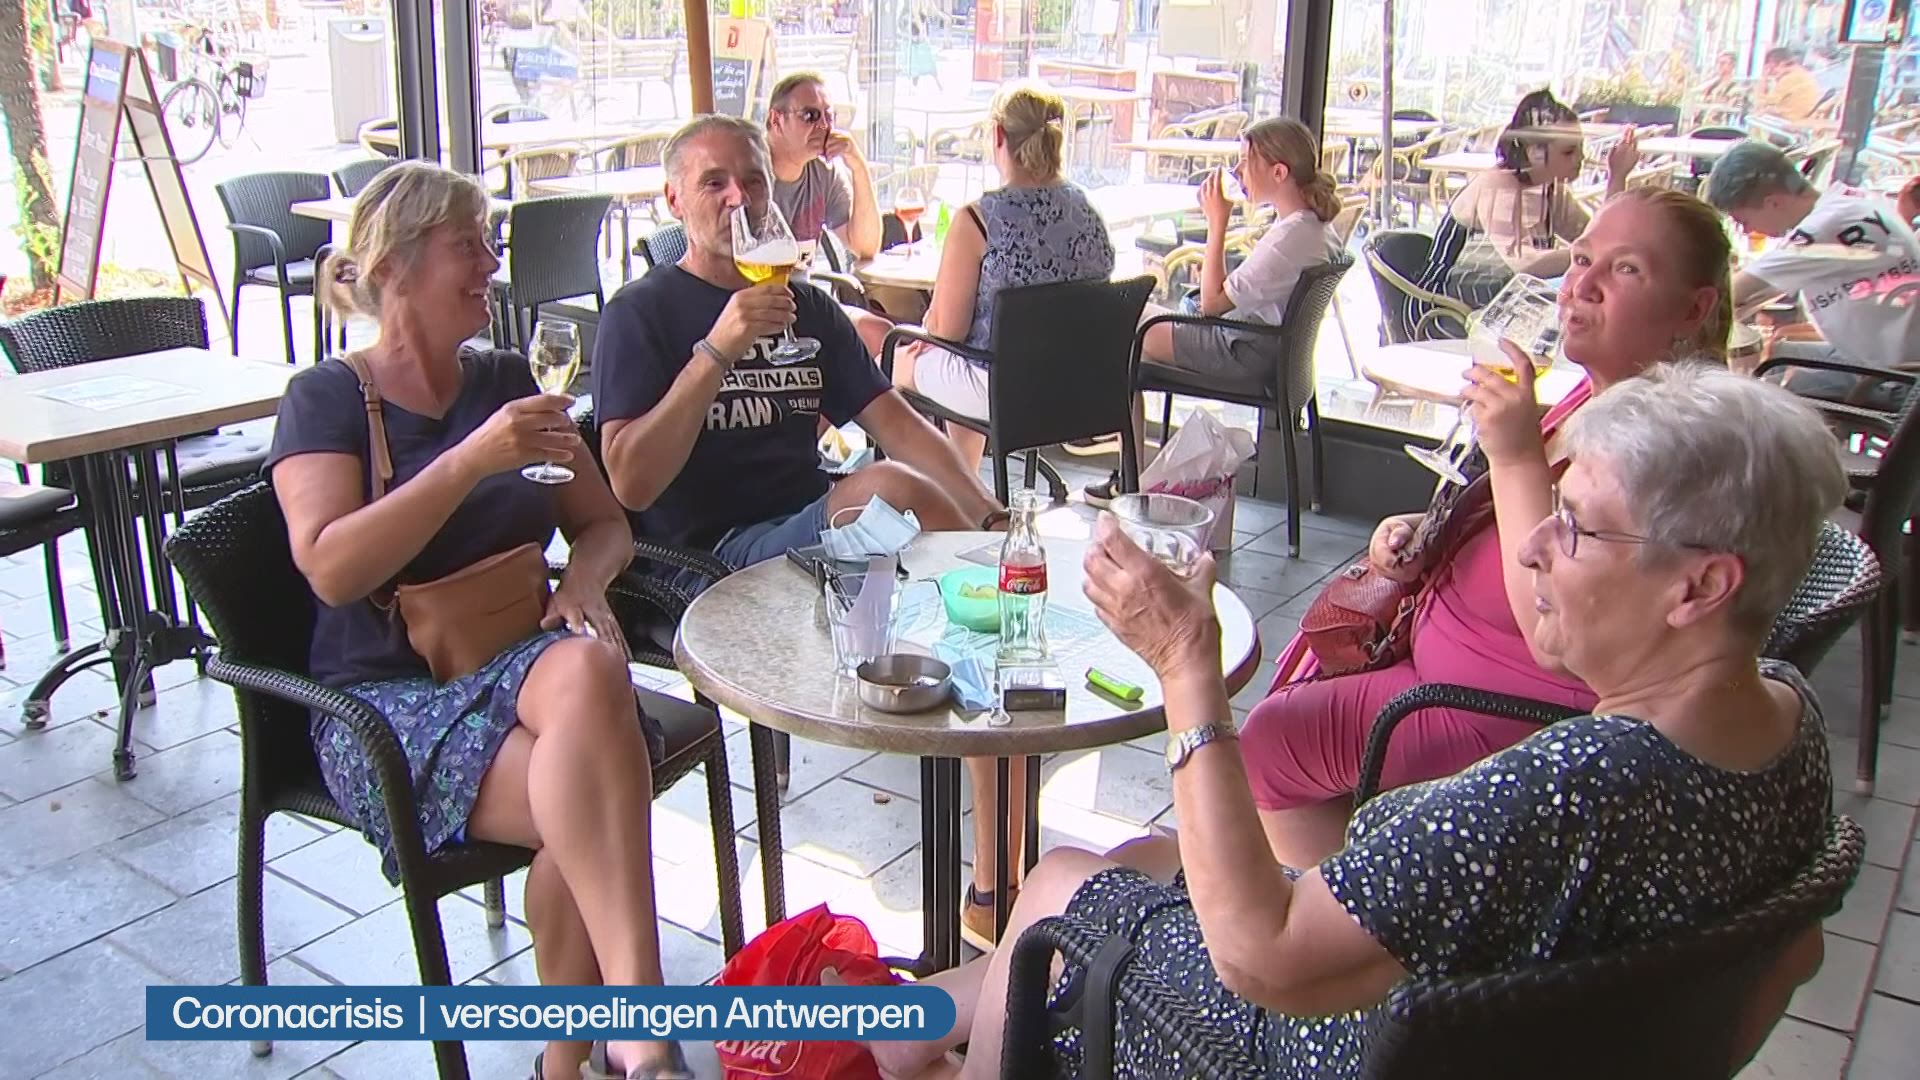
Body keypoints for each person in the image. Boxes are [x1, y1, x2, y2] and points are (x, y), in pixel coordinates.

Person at [867, 362, 1845, 1080]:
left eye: (1577, 525)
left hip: (1301, 1042)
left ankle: (925, 1047)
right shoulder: (1784, 722)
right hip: (1463, 1012)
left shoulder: (1562, 790)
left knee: (1056, 888)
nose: (1533, 547)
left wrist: (1185, 662)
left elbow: (1261, 957)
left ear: (1700, 587)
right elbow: (1794, 957)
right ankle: (885, 1031)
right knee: (1144, 859)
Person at [266, 163, 685, 1080]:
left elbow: (606, 524)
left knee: (587, 670)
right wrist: (467, 461)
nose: (492, 265)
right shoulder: (326, 397)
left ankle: (600, 1052)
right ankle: (623, 1046)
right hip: (385, 706)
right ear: (394, 266)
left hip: (519, 667)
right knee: (591, 811)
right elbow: (331, 567)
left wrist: (583, 585)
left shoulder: (503, 378)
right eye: (470, 245)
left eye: (489, 243)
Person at [591, 115, 1036, 950]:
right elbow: (630, 481)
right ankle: (1003, 623)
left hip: (810, 536)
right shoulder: (641, 315)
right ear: (674, 199)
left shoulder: (808, 308)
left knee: (962, 629)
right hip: (701, 562)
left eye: (753, 181)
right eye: (714, 182)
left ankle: (995, 879)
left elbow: (895, 421)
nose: (738, 198)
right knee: (891, 504)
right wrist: (717, 349)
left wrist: (985, 511)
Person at [1247, 187, 1734, 870]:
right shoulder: (1592, 397)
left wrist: (1512, 454)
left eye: (1626, 269)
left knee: (1268, 743)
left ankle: (1357, 918)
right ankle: (1371, 884)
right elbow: (1522, 516)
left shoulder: (1670, 443)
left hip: (1512, 715)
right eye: (1582, 258)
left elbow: (1554, 632)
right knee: (1290, 723)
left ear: (1694, 308)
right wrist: (1426, 530)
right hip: (1445, 666)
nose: (1582, 285)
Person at [1084, 116, 1341, 506]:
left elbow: (1212, 303)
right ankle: (1133, 470)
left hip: (1245, 352)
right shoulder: (1314, 228)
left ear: (1278, 172)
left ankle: (1127, 476)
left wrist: (1217, 221)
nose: (1237, 171)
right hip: (1269, 350)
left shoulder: (1289, 239)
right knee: (1138, 327)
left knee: (1126, 326)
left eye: (1246, 161)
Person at [892, 82, 1114, 474]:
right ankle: (963, 483)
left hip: (1002, 391)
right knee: (961, 360)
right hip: (1078, 390)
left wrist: (927, 328)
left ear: (997, 135)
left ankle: (932, 489)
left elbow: (948, 330)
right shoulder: (1088, 212)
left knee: (893, 359)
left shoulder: (979, 220)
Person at [1406, 91, 1640, 336]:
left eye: (1581, 148)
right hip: (1444, 310)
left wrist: (1617, 177)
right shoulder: (1498, 185)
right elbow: (1524, 264)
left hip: (1499, 310)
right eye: (1569, 151)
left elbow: (1600, 237)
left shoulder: (1550, 190)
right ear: (1534, 152)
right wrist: (1588, 254)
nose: (1580, 158)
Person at [1704, 139, 1920, 398]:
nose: (1747, 230)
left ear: (1773, 203)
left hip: (1896, 380)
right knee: (1780, 355)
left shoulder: (1822, 230)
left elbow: (1732, 292)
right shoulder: (1849, 202)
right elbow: (1762, 291)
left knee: (1760, 397)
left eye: (1743, 220)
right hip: (1889, 356)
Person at [765, 72, 893, 356]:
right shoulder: (749, 173)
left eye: (829, 116)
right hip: (757, 306)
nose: (823, 126)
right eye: (810, 115)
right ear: (776, 119)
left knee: (882, 334)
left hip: (805, 302)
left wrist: (857, 165)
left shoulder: (823, 171)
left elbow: (865, 246)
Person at [1758, 47, 1821, 123]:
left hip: (1788, 120)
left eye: (1771, 68)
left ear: (1780, 64)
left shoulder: (1790, 79)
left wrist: (1763, 78)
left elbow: (1763, 102)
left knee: (1754, 111)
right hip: (1799, 117)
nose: (1772, 72)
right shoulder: (1802, 73)